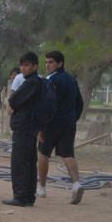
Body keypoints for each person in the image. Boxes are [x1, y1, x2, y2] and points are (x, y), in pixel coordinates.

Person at [37, 50, 85, 204]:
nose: (47, 65)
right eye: (46, 62)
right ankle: (77, 184)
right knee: (68, 154)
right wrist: (73, 118)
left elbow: (46, 104)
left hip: (51, 123)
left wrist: (41, 126)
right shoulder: (72, 79)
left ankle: (42, 188)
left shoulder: (49, 80)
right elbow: (80, 103)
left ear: (60, 63)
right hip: (69, 123)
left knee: (43, 153)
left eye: (50, 62)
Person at [3, 51, 41, 207]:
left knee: (20, 162)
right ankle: (28, 196)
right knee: (29, 161)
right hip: (29, 127)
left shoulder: (32, 83)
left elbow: (14, 100)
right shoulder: (34, 82)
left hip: (25, 127)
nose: (23, 68)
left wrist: (13, 104)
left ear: (34, 66)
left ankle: (20, 196)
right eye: (22, 65)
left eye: (27, 65)